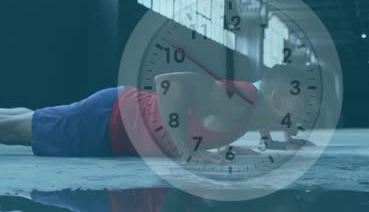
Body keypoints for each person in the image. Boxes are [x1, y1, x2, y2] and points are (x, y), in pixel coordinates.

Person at [0, 64, 313, 160]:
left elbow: (261, 114)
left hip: (117, 119)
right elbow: (169, 85)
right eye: (302, 104)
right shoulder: (238, 98)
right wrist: (185, 150)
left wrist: (273, 141)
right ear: (276, 99)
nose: (306, 112)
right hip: (113, 121)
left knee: (28, 118)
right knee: (14, 131)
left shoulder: (254, 107)